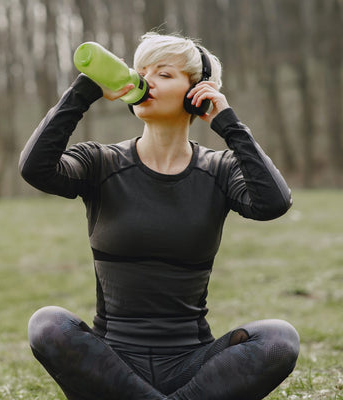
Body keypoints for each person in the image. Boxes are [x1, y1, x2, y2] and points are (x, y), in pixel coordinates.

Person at [18, 32, 300, 400]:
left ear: (197, 94)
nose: (145, 80)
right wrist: (84, 90)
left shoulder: (219, 170)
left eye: (164, 74)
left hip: (191, 365)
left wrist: (229, 124)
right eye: (141, 70)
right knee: (47, 324)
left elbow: (273, 203)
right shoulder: (101, 162)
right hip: (112, 365)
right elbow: (35, 169)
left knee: (280, 339)